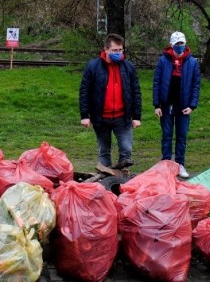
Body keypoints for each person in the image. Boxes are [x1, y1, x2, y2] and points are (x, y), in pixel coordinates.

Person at [79, 33, 142, 170]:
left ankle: (122, 181)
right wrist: (84, 116)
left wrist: (137, 117)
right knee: (104, 151)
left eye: (120, 50)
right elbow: (84, 91)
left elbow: (136, 92)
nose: (118, 53)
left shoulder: (129, 67)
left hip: (122, 118)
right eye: (114, 50)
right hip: (100, 118)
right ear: (106, 49)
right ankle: (105, 180)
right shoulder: (93, 67)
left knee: (126, 150)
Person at [153, 31, 201, 178]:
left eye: (182, 44)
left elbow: (196, 85)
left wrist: (192, 105)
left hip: (183, 106)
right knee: (166, 135)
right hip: (166, 105)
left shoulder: (192, 62)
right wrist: (157, 105)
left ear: (185, 44)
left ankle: (180, 164)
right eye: (177, 44)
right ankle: (166, 163)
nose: (180, 46)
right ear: (172, 45)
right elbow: (157, 82)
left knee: (181, 136)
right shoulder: (163, 61)